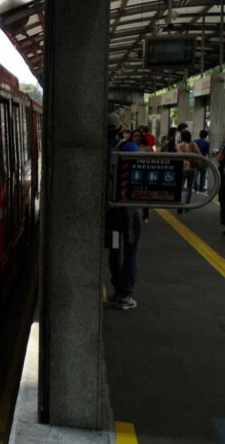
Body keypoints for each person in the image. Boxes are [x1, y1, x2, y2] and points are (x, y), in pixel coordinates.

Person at [106, 125, 142, 310]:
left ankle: (118, 289)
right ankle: (126, 295)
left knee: (114, 249)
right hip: (129, 207)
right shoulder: (129, 148)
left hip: (109, 209)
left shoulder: (99, 148)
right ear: (119, 130)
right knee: (131, 250)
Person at [175, 130, 200, 213]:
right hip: (193, 168)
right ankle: (187, 205)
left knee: (180, 187)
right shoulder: (194, 145)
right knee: (190, 187)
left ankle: (179, 204)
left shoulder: (178, 146)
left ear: (182, 137)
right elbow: (199, 155)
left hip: (182, 168)